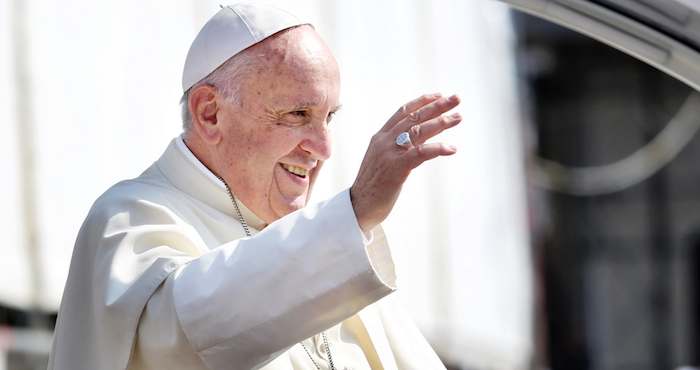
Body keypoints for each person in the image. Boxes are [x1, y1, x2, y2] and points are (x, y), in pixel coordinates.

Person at [48, 3, 462, 370]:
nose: (323, 148)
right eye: (298, 114)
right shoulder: (129, 216)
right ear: (210, 113)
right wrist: (356, 212)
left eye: (328, 117)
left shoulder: (330, 243)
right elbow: (181, 339)